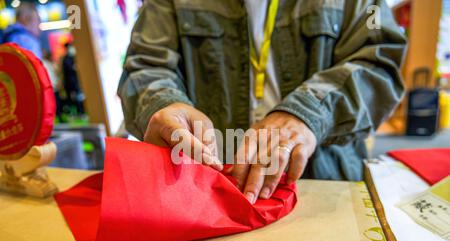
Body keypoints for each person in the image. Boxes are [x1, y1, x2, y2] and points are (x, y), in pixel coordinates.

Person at [118, 0, 407, 204]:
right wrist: (162, 103)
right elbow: (146, 65)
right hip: (206, 189)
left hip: (324, 184)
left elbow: (378, 63)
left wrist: (307, 113)